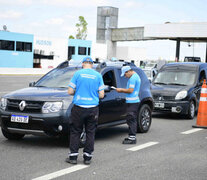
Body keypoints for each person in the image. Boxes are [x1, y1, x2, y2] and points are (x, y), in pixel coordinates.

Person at [66, 57, 105, 165]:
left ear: (83, 63)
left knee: (75, 132)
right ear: (92, 65)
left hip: (79, 107)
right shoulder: (98, 75)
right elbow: (102, 94)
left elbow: (70, 91)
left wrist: (78, 92)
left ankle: (73, 157)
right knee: (90, 132)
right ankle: (87, 157)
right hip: (93, 108)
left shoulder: (77, 74)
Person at [116, 66, 141, 144]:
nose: (125, 76)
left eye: (125, 74)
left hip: (132, 102)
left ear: (128, 71)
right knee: (131, 119)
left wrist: (121, 90)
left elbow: (130, 90)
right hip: (133, 102)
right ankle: (131, 136)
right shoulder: (135, 76)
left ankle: (132, 138)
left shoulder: (133, 78)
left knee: (131, 119)